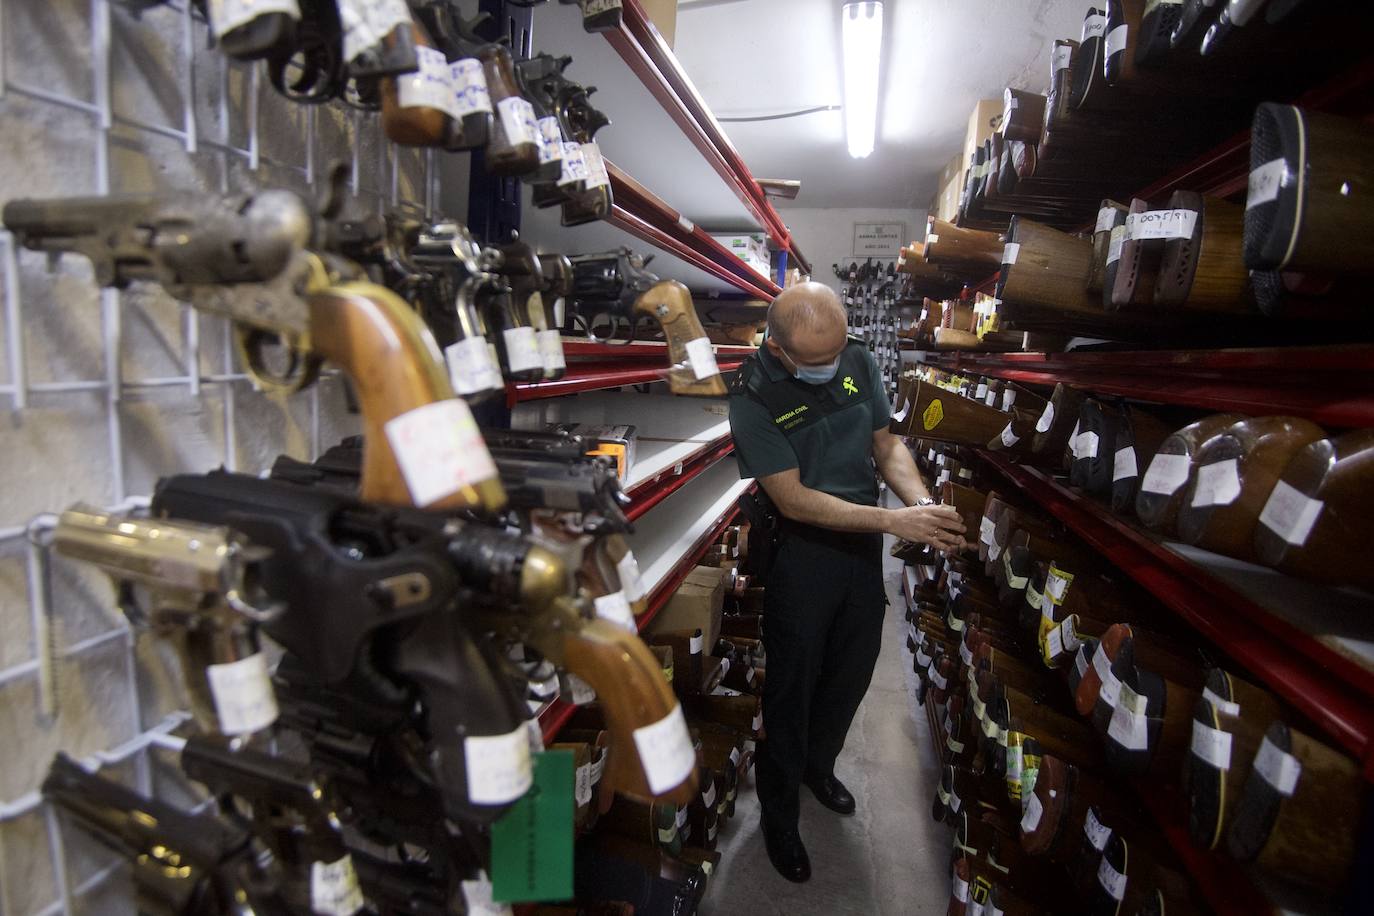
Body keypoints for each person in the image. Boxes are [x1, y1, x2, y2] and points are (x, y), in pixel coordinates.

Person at [727, 281, 967, 883]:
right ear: (778, 350)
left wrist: (924, 505)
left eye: (837, 354)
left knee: (852, 669)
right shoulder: (754, 396)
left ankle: (818, 765)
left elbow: (888, 448)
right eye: (817, 362)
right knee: (792, 685)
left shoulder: (854, 355)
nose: (833, 368)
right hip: (803, 548)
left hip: (861, 543)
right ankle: (778, 815)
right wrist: (896, 519)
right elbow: (795, 500)